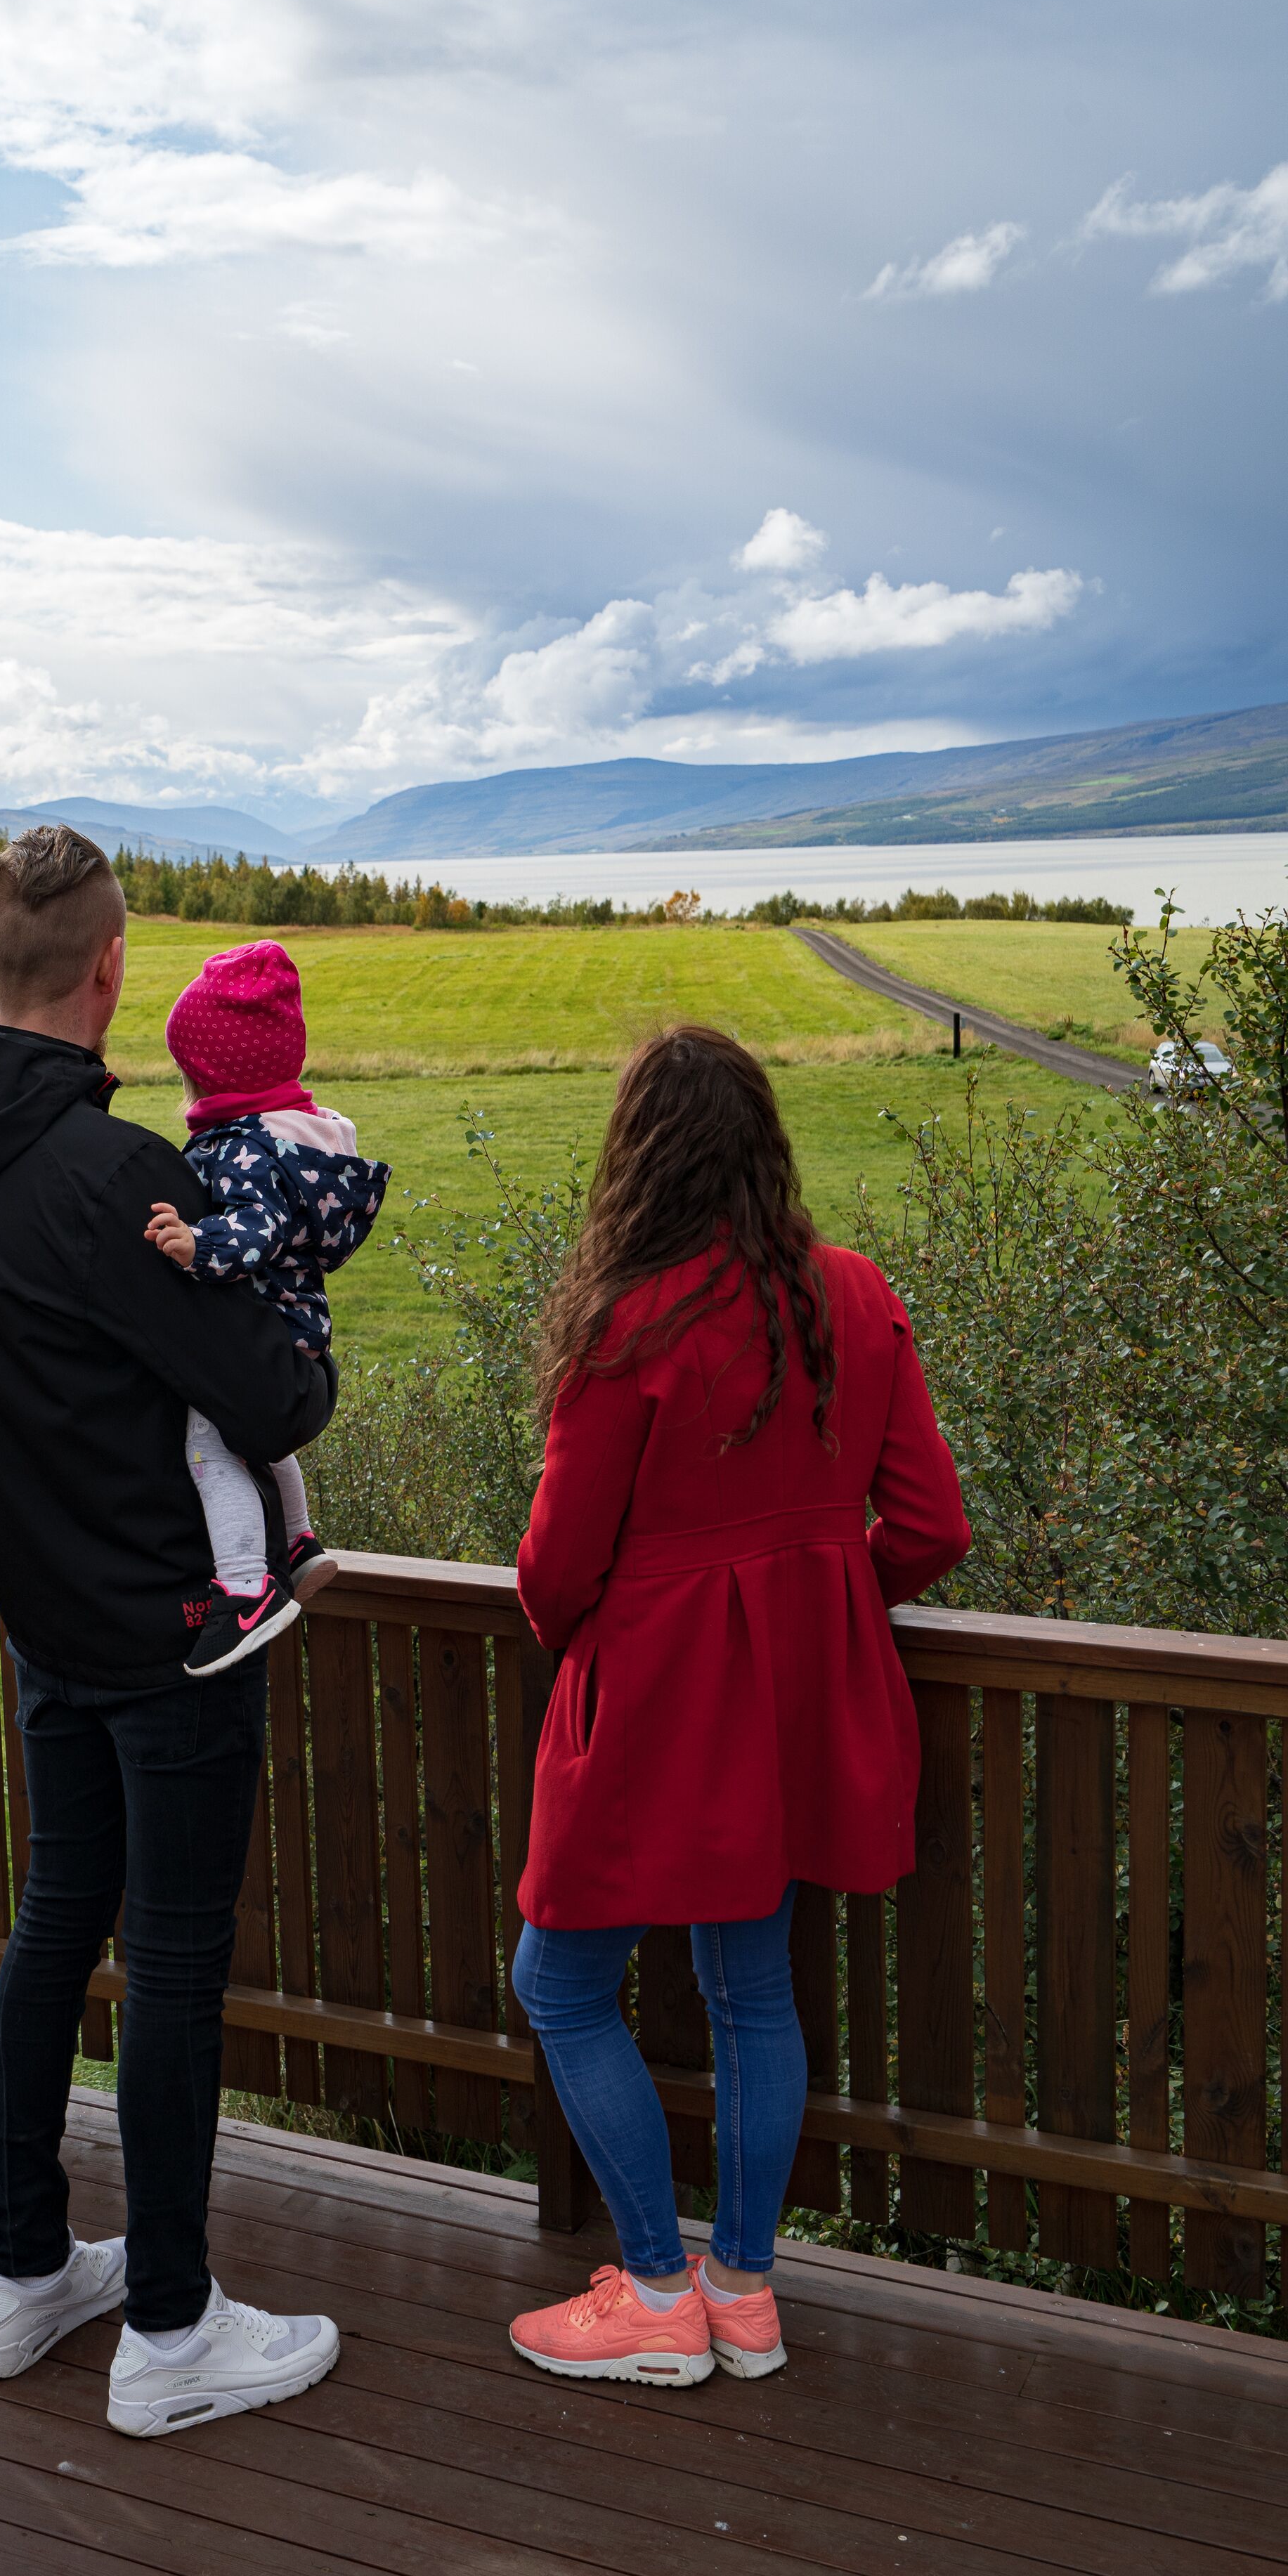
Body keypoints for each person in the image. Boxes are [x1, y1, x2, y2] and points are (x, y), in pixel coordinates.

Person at [0, 824, 342, 2438]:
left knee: (55, 1921)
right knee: (176, 1973)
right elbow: (274, 1391)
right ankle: (169, 2325)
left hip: (41, 1611)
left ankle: (21, 2274)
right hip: (177, 1632)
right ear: (111, 965)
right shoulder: (113, 1174)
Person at [506, 1024, 969, 2390]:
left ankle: (655, 2288)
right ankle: (744, 2298)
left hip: (651, 1703)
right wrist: (825, 1602)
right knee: (749, 1989)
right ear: (764, 1148)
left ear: (636, 1163)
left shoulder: (626, 1330)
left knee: (557, 1979)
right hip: (795, 1710)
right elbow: (930, 1527)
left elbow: (552, 1567)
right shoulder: (852, 1295)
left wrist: (605, 1638)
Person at [142, 938, 391, 1673]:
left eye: (190, 1074)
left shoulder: (246, 1149)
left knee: (208, 1447)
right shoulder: (291, 1137)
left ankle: (247, 1587)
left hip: (262, 1323)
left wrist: (198, 1245)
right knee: (260, 1440)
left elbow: (260, 1225)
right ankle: (301, 1541)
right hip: (293, 1331)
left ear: (217, 1078)